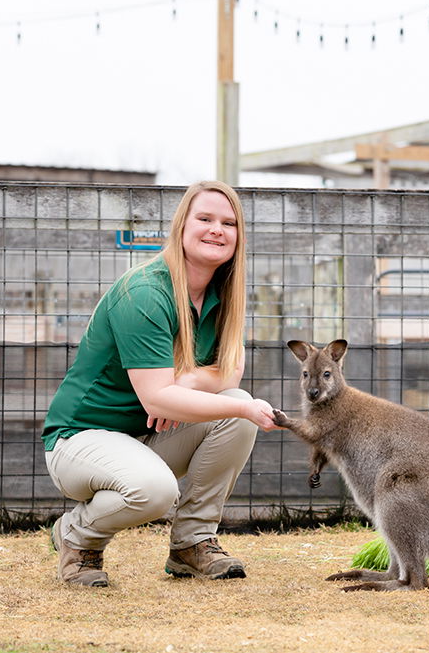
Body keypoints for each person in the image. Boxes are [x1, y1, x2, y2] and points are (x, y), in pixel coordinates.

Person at [42, 180, 278, 587]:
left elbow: (230, 372)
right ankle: (78, 538)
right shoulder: (146, 292)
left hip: (145, 437)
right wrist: (182, 397)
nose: (216, 230)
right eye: (204, 218)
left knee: (236, 407)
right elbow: (157, 396)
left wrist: (182, 385)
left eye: (228, 222)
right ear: (181, 225)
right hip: (79, 440)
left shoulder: (224, 292)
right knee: (157, 487)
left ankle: (192, 543)